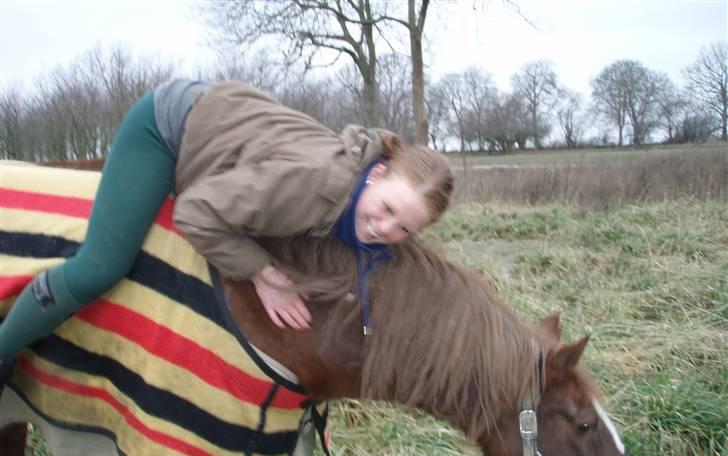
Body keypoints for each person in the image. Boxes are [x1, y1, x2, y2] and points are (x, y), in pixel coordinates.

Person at [0, 79, 454, 382]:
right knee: (100, 267)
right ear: (376, 175)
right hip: (168, 125)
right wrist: (262, 273)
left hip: (228, 118)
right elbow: (196, 213)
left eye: (404, 228)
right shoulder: (314, 188)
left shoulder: (358, 188)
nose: (384, 227)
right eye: (389, 208)